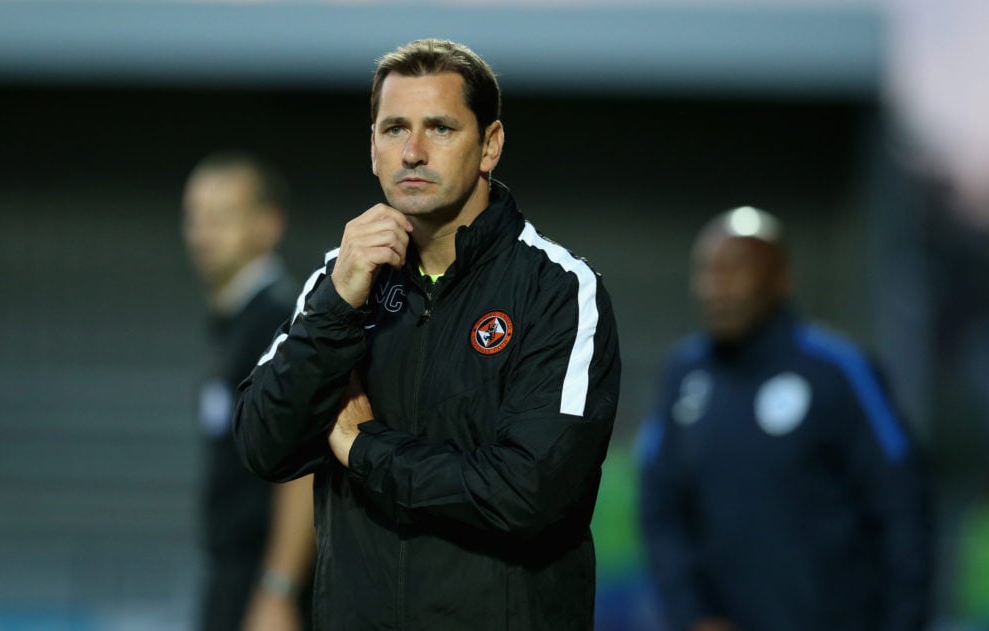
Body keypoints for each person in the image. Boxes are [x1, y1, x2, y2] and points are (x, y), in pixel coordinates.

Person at [231, 38, 621, 630]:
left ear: (489, 145)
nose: (412, 151)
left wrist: (364, 448)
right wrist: (338, 304)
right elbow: (262, 443)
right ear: (372, 148)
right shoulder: (338, 282)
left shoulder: (559, 290)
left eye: (439, 128)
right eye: (393, 129)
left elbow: (526, 493)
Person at [636, 206, 932, 631]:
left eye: (735, 271)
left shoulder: (839, 370)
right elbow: (661, 509)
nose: (715, 289)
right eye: (707, 272)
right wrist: (694, 614)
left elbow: (903, 505)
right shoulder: (684, 374)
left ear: (781, 280)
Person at [181, 151, 316, 631]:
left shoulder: (277, 322)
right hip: (234, 573)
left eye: (221, 217)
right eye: (195, 216)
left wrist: (278, 589)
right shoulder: (236, 322)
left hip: (260, 579)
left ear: (268, 224)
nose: (202, 233)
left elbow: (302, 462)